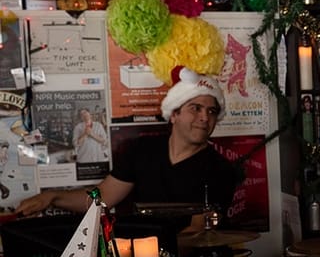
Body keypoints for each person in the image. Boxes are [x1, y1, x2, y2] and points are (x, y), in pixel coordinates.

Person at [16, 67, 241, 220]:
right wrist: (52, 197)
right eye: (196, 108)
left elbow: (203, 232)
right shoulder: (142, 151)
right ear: (174, 114)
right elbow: (101, 198)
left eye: (212, 111)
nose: (205, 117)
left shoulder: (222, 170)